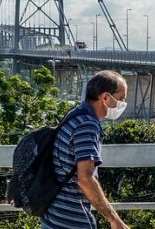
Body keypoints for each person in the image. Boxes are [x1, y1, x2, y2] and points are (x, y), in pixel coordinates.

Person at [42, 70, 130, 229]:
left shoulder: (76, 113)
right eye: (121, 99)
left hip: (54, 216)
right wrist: (114, 219)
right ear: (105, 98)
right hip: (72, 220)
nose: (122, 104)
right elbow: (85, 179)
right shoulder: (87, 125)